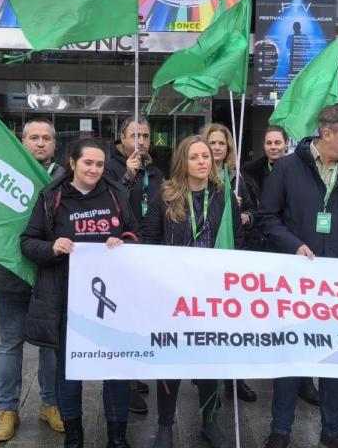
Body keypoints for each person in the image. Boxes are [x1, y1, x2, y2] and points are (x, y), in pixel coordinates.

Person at [257, 103, 338, 448]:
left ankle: (333, 430)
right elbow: (268, 217)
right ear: (327, 134)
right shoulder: (286, 168)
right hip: (295, 280)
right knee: (291, 356)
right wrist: (294, 246)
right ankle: (280, 430)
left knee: (333, 356)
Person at [21, 138, 138, 448]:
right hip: (66, 302)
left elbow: (136, 234)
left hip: (111, 303)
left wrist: (124, 241)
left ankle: (117, 437)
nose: (94, 169)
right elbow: (28, 242)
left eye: (99, 164)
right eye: (88, 163)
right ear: (72, 163)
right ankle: (73, 436)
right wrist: (52, 247)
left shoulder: (116, 194)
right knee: (69, 372)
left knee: (115, 369)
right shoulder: (52, 196)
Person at [141, 135, 244, 448]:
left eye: (206, 156)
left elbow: (238, 240)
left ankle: (210, 421)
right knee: (170, 359)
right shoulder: (165, 196)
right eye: (194, 156)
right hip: (174, 292)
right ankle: (165, 426)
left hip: (213, 294)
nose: (203, 161)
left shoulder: (224, 195)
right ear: (182, 162)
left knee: (210, 359)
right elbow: (149, 240)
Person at [242, 125, 338, 405]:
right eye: (267, 142)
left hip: (320, 261)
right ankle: (282, 413)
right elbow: (266, 214)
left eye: (277, 142)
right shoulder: (251, 172)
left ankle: (316, 388)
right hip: (276, 254)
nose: (272, 146)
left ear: (284, 144)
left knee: (322, 332)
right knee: (287, 329)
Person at [0, 118, 65, 442]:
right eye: (33, 137)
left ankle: (49, 404)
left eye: (46, 138)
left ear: (54, 143)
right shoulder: (5, 174)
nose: (40, 143)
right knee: (10, 345)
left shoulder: (67, 177)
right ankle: (8, 408)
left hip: (51, 276)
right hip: (11, 276)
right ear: (22, 142)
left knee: (51, 345)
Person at [104, 115, 162, 414]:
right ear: (122, 138)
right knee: (121, 318)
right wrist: (127, 177)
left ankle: (132, 372)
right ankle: (123, 384)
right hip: (119, 251)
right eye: (135, 136)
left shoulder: (154, 169)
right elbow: (111, 204)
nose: (141, 142)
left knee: (139, 317)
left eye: (146, 136)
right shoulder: (110, 166)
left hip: (147, 249)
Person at [199, 122, 258, 404]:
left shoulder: (238, 179)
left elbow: (254, 213)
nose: (217, 148)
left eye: (222, 143)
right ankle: (209, 381)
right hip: (204, 260)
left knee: (233, 325)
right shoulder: (196, 176)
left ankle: (236, 378)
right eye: (212, 143)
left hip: (232, 258)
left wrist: (241, 212)